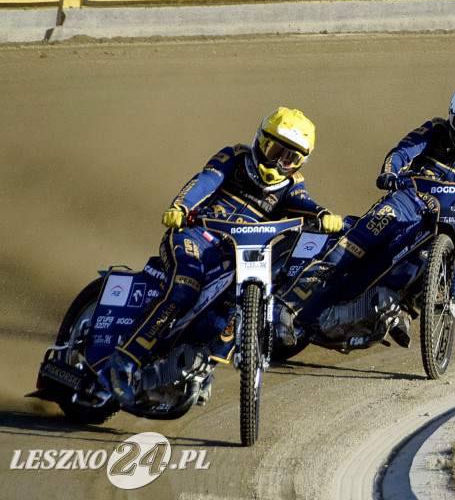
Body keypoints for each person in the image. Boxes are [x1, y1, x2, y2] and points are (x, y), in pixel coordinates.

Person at [104, 107, 344, 405]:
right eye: (274, 150)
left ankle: (200, 367)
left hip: (234, 256)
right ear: (260, 140)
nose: (279, 163)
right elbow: (204, 181)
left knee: (237, 305)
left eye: (290, 158)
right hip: (194, 238)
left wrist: (323, 216)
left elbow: (305, 204)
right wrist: (180, 207)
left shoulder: (292, 186)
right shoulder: (235, 158)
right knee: (184, 288)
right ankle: (123, 361)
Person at [275, 82, 455, 349]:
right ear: (452, 115)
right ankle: (287, 308)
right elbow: (401, 152)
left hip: (442, 221)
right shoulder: (434, 131)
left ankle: (397, 310)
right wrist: (390, 173)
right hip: (406, 203)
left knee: (432, 267)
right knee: (352, 248)